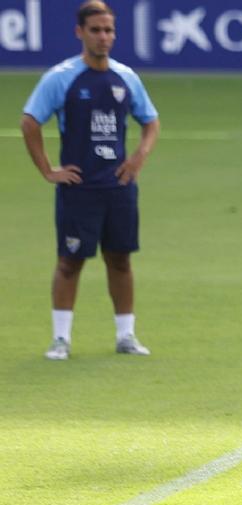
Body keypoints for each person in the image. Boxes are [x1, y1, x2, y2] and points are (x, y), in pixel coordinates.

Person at [20, 1, 159, 361]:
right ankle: (61, 340)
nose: (103, 37)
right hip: (78, 189)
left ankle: (126, 335)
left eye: (109, 30)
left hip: (118, 188)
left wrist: (138, 158)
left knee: (121, 261)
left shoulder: (126, 77)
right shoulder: (61, 77)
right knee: (69, 262)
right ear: (79, 32)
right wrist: (49, 170)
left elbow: (151, 121)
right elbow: (30, 122)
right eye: (96, 30)